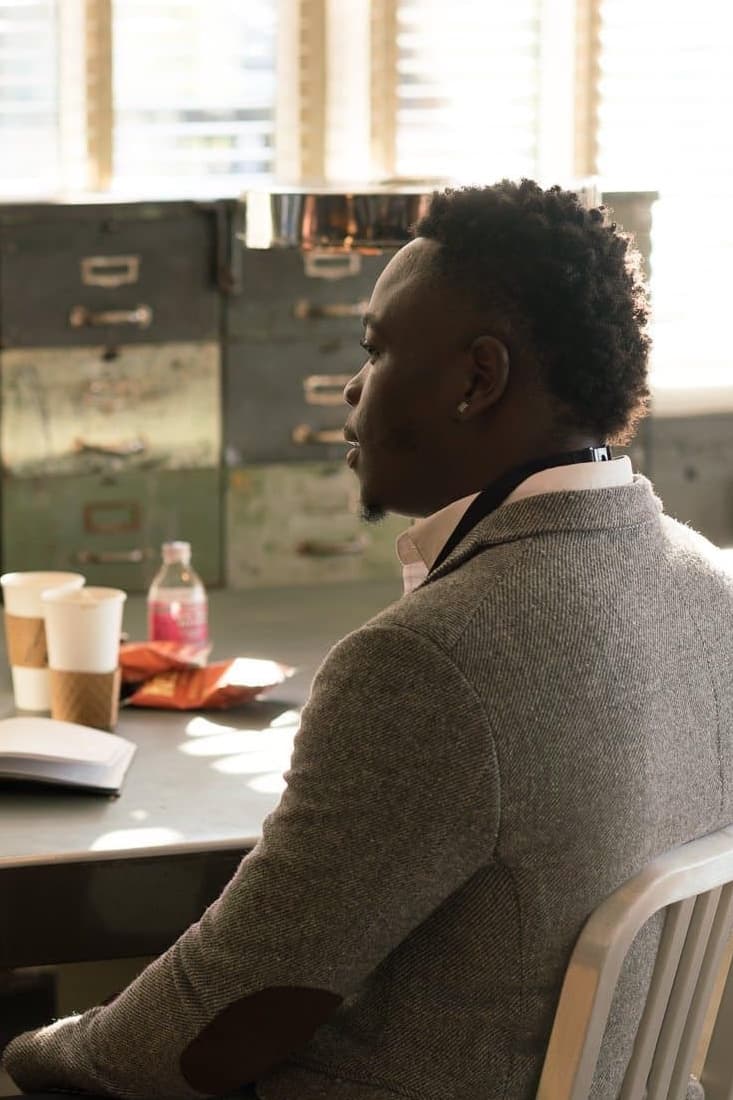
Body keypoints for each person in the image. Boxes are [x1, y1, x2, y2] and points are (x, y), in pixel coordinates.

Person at [4, 180, 733, 1100]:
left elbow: (212, 1032)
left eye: (378, 349)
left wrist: (31, 1057)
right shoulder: (708, 586)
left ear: (477, 379)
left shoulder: (429, 662)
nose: (352, 385)